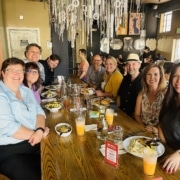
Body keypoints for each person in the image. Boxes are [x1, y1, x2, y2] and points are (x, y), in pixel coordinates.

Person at [0, 57, 49, 180]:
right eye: (12, 70)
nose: (17, 74)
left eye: (21, 70)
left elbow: (40, 112)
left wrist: (39, 130)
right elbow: (10, 128)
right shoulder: (2, 93)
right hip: (11, 151)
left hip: (35, 141)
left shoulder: (26, 91)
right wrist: (38, 134)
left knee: (56, 162)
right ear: (3, 73)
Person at [158, 63, 180, 174]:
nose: (178, 81)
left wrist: (178, 155)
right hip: (166, 154)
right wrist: (163, 147)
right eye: (175, 76)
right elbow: (161, 123)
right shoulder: (170, 99)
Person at [134, 63, 167, 134]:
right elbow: (137, 115)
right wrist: (143, 127)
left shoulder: (166, 94)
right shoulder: (141, 94)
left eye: (155, 74)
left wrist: (157, 130)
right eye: (149, 74)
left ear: (160, 76)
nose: (152, 77)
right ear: (145, 77)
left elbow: (169, 119)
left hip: (161, 133)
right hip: (144, 130)